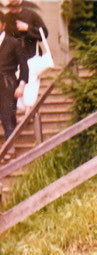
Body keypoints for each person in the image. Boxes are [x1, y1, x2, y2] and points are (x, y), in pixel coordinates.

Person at [0, 10, 28, 162]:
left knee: (7, 115)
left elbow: (24, 66)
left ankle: (9, 150)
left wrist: (21, 85)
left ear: (3, 25)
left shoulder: (13, 42)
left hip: (8, 83)